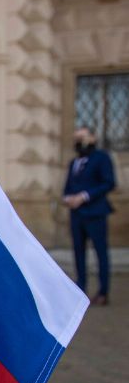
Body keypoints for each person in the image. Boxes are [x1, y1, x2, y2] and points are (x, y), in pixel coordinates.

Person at [63, 126, 116, 305]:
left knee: (100, 252)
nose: (79, 142)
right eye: (76, 138)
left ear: (92, 138)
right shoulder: (74, 163)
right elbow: (68, 186)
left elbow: (108, 183)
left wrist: (84, 196)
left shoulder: (102, 158)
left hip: (95, 213)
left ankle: (103, 292)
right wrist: (68, 198)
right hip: (76, 215)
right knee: (78, 252)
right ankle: (80, 289)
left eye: (82, 138)